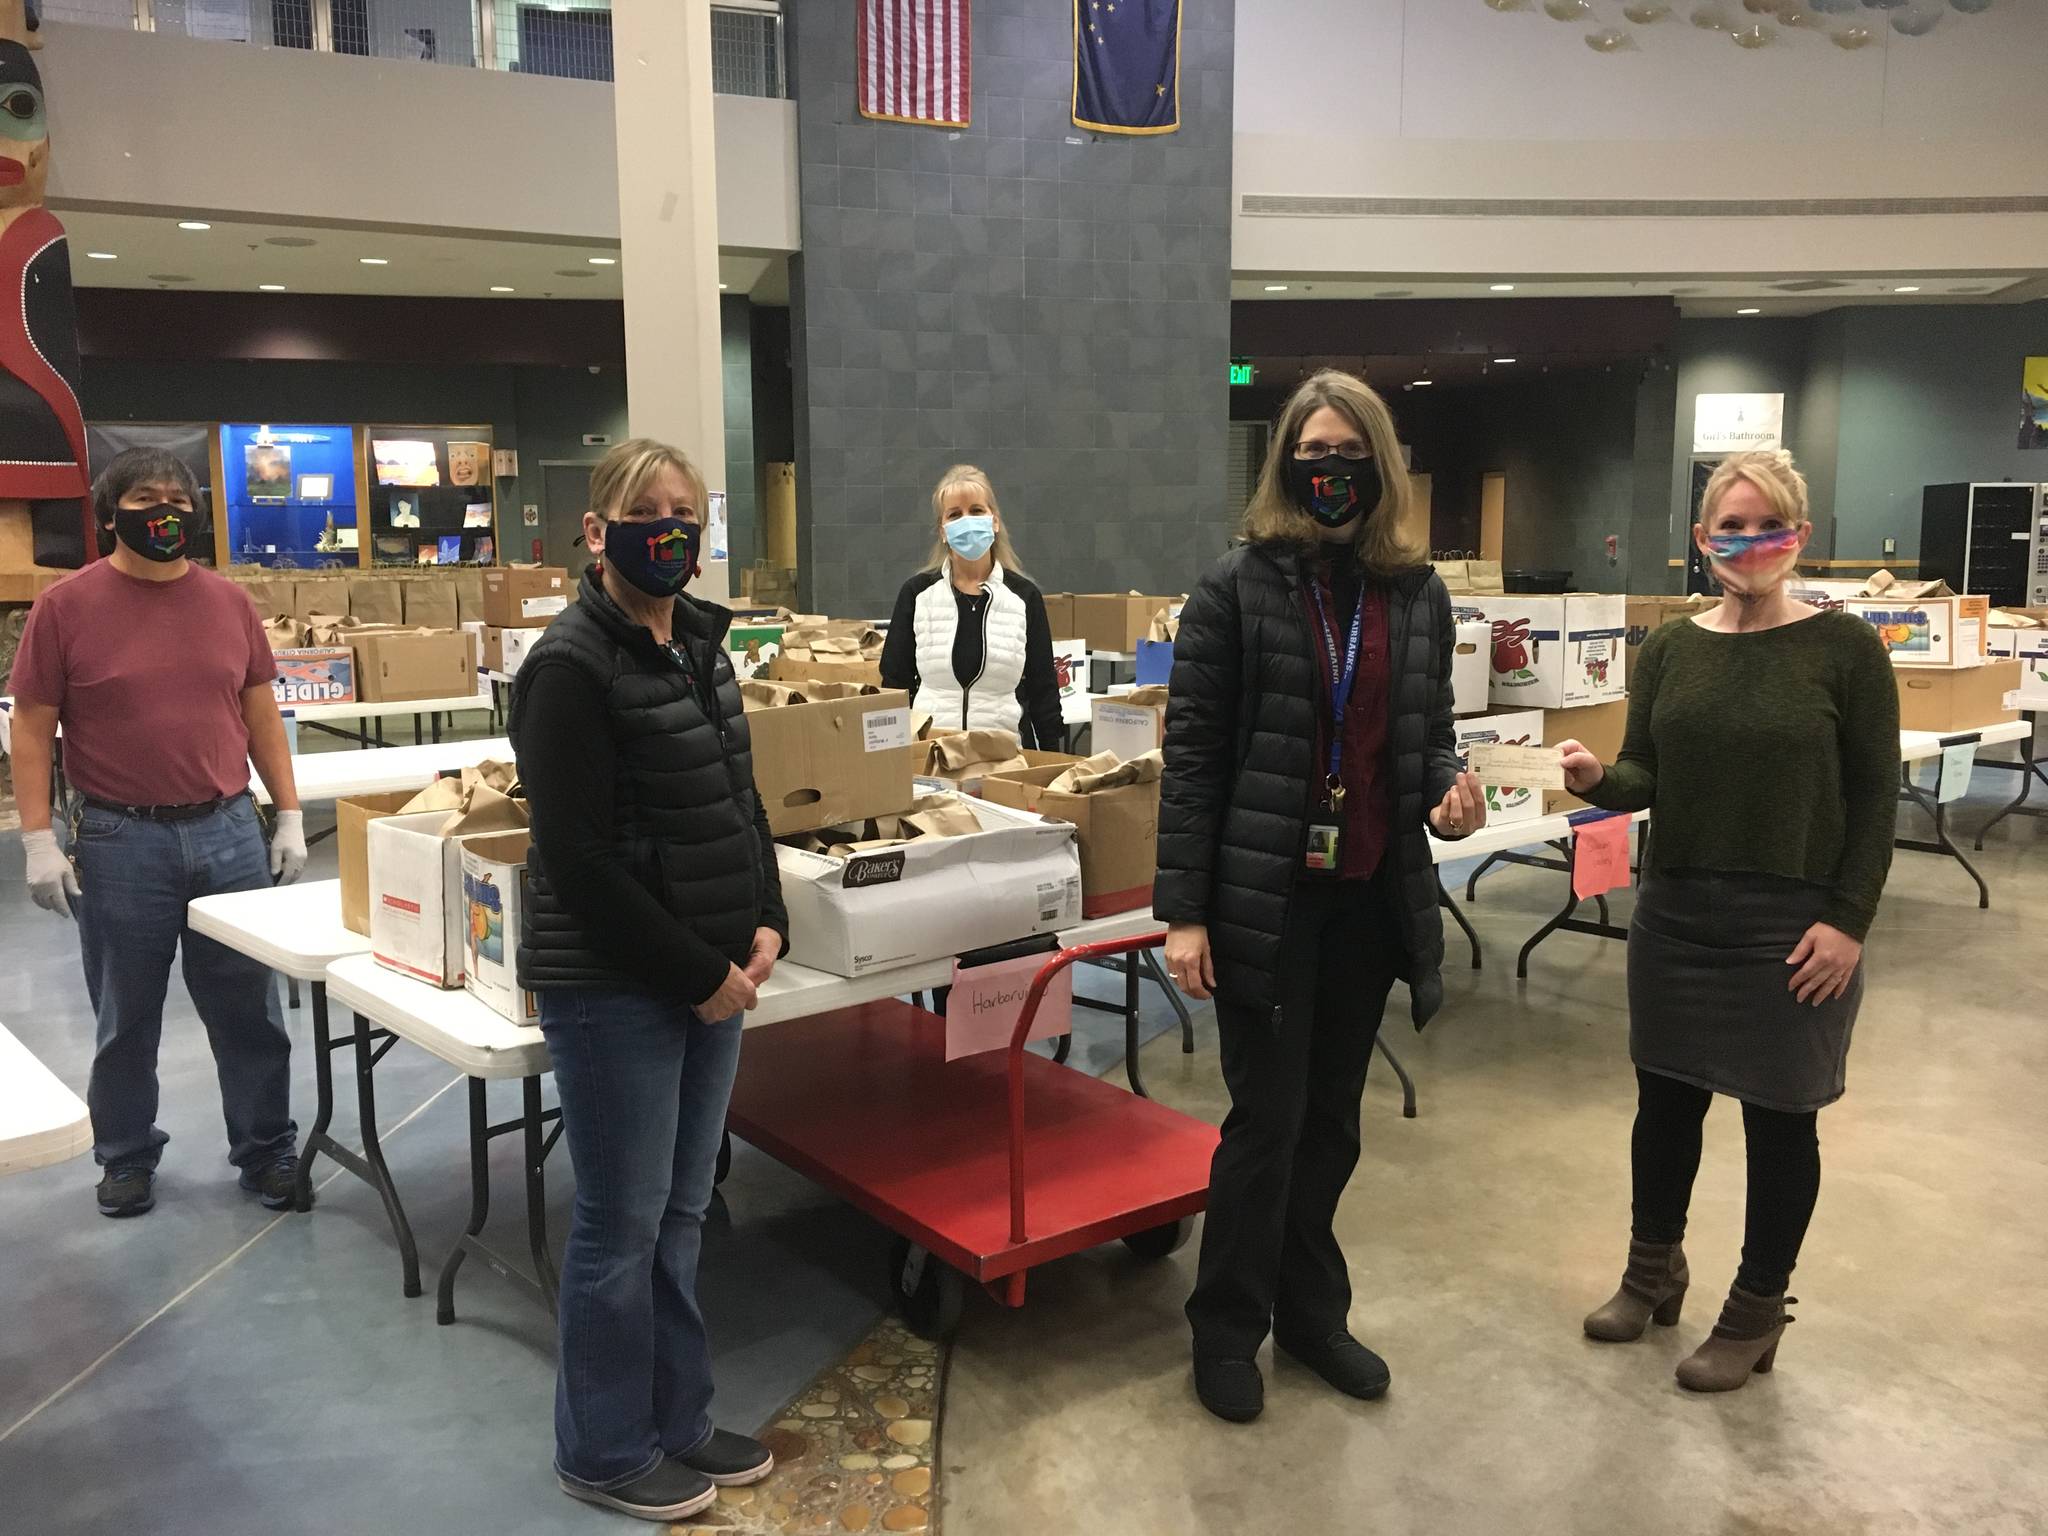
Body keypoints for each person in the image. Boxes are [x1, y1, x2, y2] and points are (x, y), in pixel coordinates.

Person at [1154, 369, 1485, 1424]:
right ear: (1287, 462)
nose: (1329, 471)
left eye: (1349, 455)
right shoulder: (1234, 588)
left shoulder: (1415, 593)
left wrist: (1446, 791)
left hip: (1366, 900)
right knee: (1267, 1123)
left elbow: (1425, 735)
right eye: (1313, 452)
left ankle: (1309, 1314)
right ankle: (1226, 1327)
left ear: (1377, 467)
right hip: (1266, 899)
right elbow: (1194, 760)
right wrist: (1185, 911)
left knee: (1332, 1124)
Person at [1563, 448, 1898, 1393]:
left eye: (1767, 523)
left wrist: (1848, 919)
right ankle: (1652, 1271)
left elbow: (1878, 798)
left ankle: (1755, 1313)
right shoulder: (1671, 648)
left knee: (1779, 1121)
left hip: (1791, 926)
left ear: (1799, 531)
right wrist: (1598, 782)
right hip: (1677, 914)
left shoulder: (1846, 651)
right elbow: (1646, 775)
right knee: (1664, 1104)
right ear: (1703, 537)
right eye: (1730, 526)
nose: (1749, 541)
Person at [511, 438, 787, 1524]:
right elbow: (575, 866)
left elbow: (742, 807)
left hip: (714, 977)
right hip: (618, 992)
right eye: (645, 513)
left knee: (680, 1213)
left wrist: (765, 920)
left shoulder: (706, 651)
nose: (668, 530)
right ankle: (603, 1447)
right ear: (597, 532)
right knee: (618, 1229)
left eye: (685, 514)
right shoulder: (569, 669)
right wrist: (696, 972)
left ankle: (677, 1422)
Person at [11, 447, 307, 1219]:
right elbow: (35, 729)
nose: (168, 511)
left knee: (249, 1006)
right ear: (112, 514)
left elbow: (260, 714)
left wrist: (291, 813)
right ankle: (127, 1156)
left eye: (182, 498)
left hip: (228, 831)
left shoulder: (228, 603)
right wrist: (38, 838)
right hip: (119, 840)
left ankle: (267, 1148)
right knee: (126, 1013)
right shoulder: (66, 608)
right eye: (149, 498)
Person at [879, 464, 1063, 746]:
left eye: (976, 510)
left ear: (995, 522)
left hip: (1004, 758)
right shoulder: (916, 594)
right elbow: (895, 685)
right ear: (942, 530)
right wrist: (890, 756)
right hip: (931, 756)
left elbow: (1044, 691)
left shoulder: (1024, 597)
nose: (966, 520)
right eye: (955, 514)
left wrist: (1054, 763)